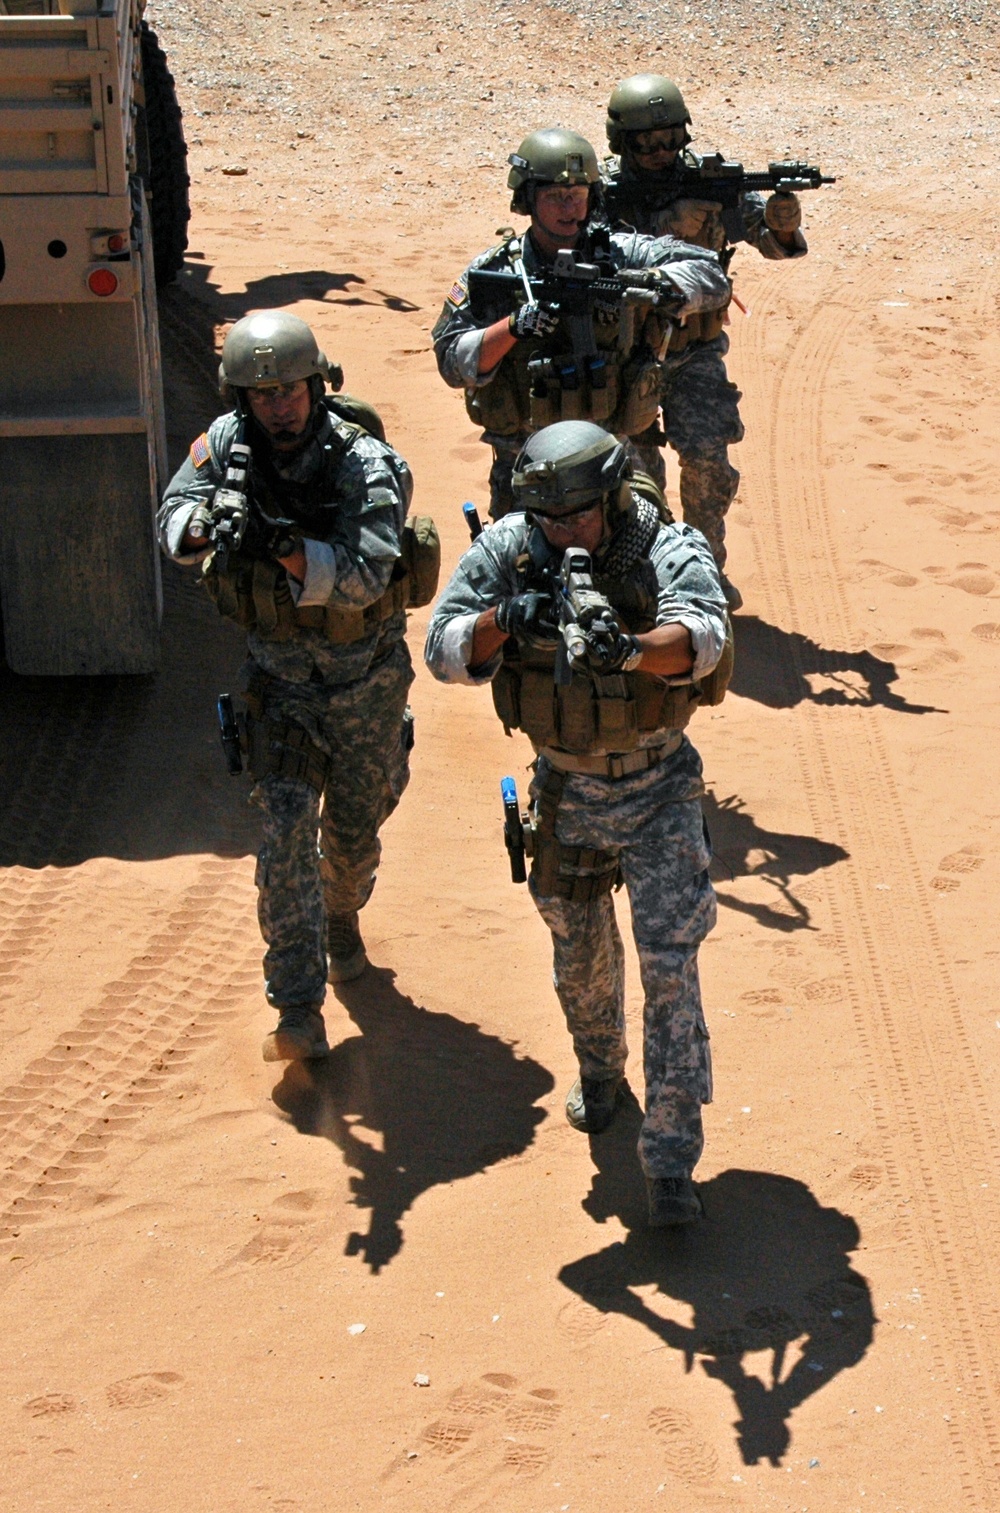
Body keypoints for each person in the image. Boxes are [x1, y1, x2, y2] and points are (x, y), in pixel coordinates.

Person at [424, 420, 729, 1226]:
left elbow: (703, 634)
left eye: (578, 518)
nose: (563, 534)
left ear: (610, 498)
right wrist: (505, 618)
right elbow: (442, 648)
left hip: (660, 786)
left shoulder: (662, 541)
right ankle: (600, 1071)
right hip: (568, 791)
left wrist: (628, 650)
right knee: (581, 960)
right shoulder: (513, 547)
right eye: (550, 520)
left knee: (671, 970)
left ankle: (669, 1163)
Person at [158, 310, 427, 1064]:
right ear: (241, 397)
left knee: (351, 839)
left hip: (364, 685)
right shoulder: (224, 447)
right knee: (281, 836)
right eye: (261, 392)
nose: (278, 405)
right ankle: (298, 1007)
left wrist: (280, 546)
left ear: (317, 384)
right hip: (279, 686)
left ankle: (342, 911)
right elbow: (171, 524)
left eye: (290, 390)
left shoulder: (365, 462)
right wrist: (210, 523)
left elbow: (368, 571)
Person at [432, 127, 731, 522]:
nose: (569, 207)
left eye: (578, 195)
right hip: (527, 463)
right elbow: (451, 360)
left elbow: (711, 274)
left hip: (612, 454)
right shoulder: (497, 272)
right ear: (527, 200)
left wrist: (658, 283)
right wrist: (513, 327)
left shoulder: (622, 253)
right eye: (555, 196)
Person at [603, 74, 809, 610]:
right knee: (635, 473)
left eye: (671, 139)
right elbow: (585, 251)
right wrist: (662, 229)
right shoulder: (600, 193)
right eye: (647, 142)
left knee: (709, 461)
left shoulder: (708, 184)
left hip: (695, 351)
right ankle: (647, 573)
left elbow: (771, 244)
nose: (661, 152)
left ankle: (704, 569)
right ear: (621, 142)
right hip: (629, 353)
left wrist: (780, 225)